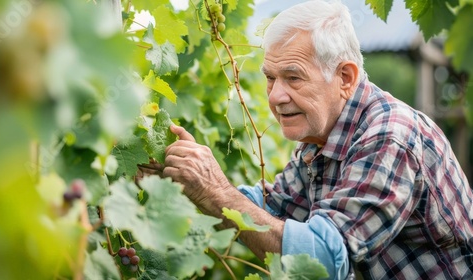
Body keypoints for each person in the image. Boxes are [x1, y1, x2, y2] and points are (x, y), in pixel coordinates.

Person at [141, 0, 473, 279]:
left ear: (345, 77)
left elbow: (321, 261)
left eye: (293, 78)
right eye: (271, 78)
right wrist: (181, 181)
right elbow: (273, 208)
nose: (276, 97)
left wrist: (214, 190)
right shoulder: (323, 137)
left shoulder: (389, 137)